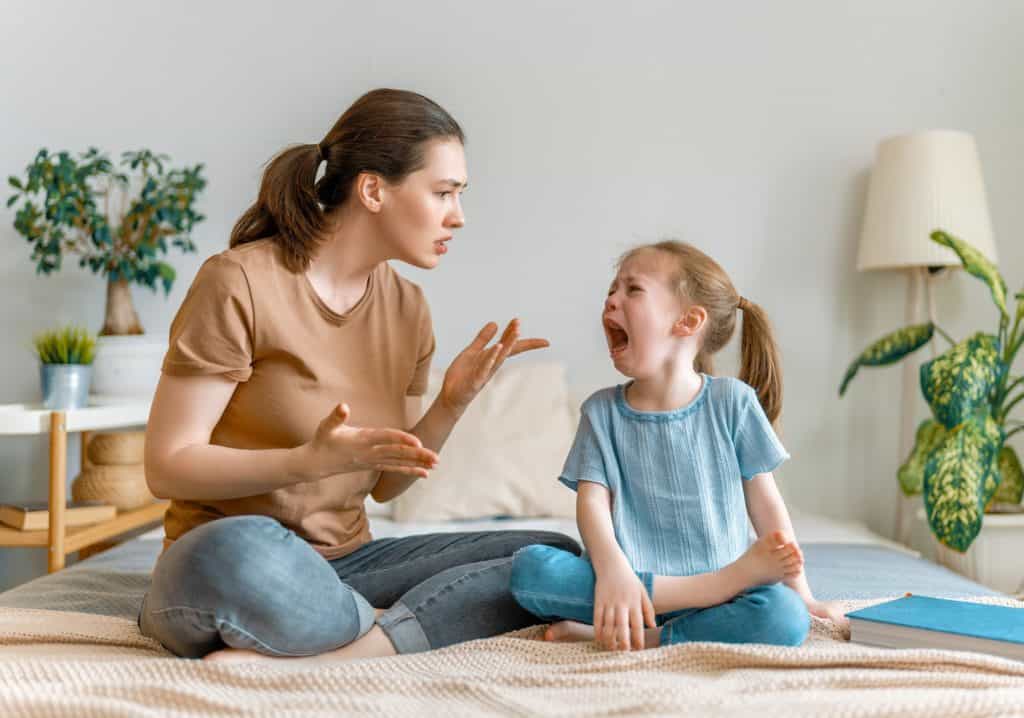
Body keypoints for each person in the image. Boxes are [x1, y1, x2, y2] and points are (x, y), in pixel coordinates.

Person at [139, 88, 580, 663]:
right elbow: (166, 465)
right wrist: (306, 461)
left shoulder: (408, 310)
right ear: (373, 189)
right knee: (237, 552)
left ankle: (355, 643)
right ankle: (396, 625)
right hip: (230, 557)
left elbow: (385, 484)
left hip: (349, 565)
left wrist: (451, 403)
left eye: (460, 195)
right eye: (443, 192)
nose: (459, 216)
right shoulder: (239, 282)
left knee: (550, 554)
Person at [509, 240, 845, 652]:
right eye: (611, 291)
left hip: (722, 595)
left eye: (632, 290)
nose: (611, 301)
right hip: (631, 587)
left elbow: (766, 506)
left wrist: (803, 594)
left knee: (785, 615)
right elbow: (592, 504)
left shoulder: (733, 402)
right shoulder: (601, 412)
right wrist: (614, 570)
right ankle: (704, 594)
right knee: (531, 570)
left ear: (688, 322)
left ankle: (649, 637)